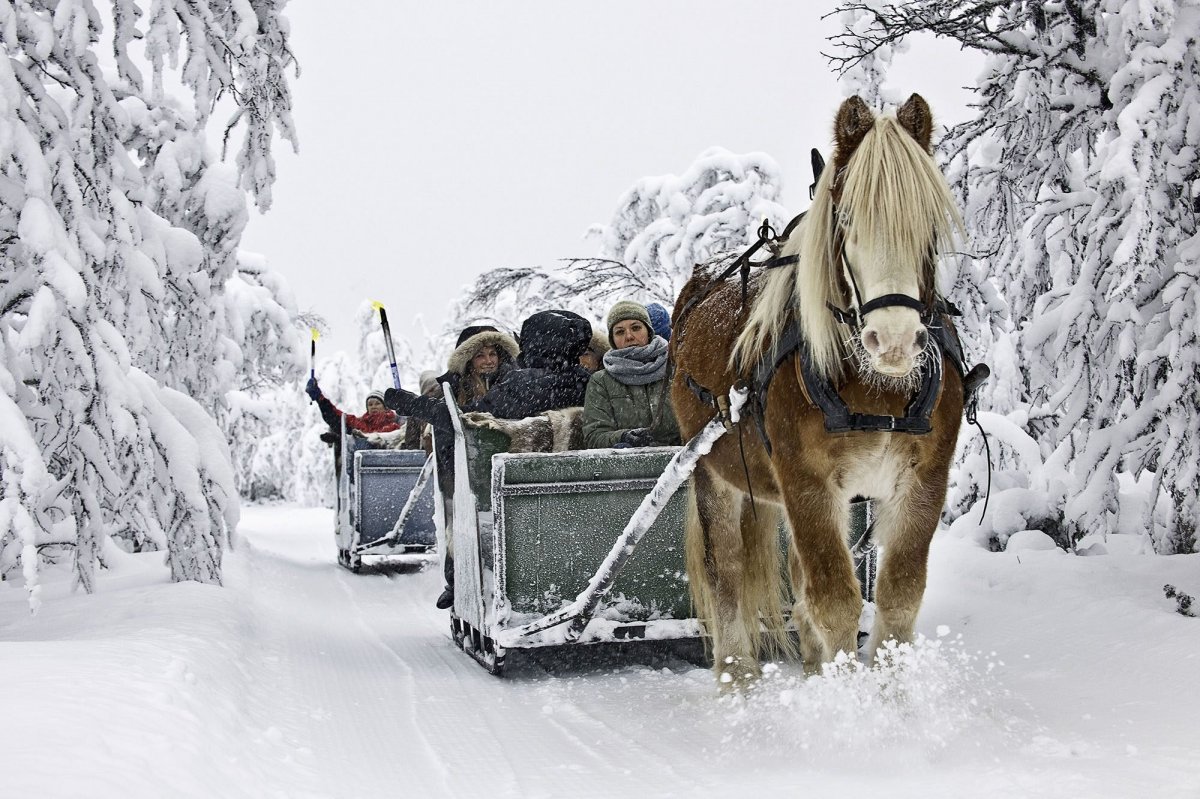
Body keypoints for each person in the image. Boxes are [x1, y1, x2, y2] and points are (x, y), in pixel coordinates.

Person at [383, 309, 593, 610]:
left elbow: (466, 420)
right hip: (578, 486)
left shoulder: (522, 385)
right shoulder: (589, 381)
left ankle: (461, 581)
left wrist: (414, 404)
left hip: (520, 489)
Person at [582, 300, 681, 449]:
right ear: (612, 340)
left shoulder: (678, 369)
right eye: (620, 332)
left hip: (681, 466)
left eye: (636, 328)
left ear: (648, 331)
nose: (629, 336)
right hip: (629, 469)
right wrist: (623, 437)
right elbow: (594, 436)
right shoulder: (601, 381)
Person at [306, 380, 402, 435]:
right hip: (362, 465)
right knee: (338, 425)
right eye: (370, 404)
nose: (373, 407)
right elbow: (336, 416)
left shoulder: (393, 425)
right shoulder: (359, 423)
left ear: (385, 407)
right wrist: (320, 399)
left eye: (377, 403)